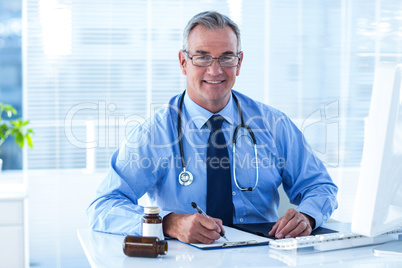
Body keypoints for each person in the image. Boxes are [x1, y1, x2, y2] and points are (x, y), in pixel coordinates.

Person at [87, 11, 338, 244]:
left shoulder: (274, 125)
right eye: (202, 56)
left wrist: (307, 216)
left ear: (239, 63)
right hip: (185, 259)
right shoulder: (154, 133)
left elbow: (320, 186)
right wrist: (169, 223)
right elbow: (103, 206)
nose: (215, 70)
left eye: (226, 57)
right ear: (183, 62)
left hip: (262, 256)